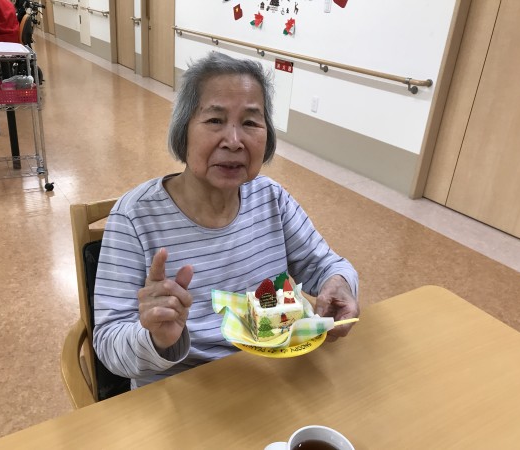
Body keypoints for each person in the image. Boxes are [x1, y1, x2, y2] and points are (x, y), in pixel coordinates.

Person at [93, 51, 359, 390]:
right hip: (182, 391)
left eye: (250, 123)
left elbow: (326, 264)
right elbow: (109, 344)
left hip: (269, 378)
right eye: (215, 120)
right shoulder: (134, 217)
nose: (234, 141)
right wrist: (157, 338)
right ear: (183, 131)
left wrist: (339, 283)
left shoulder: (271, 198)